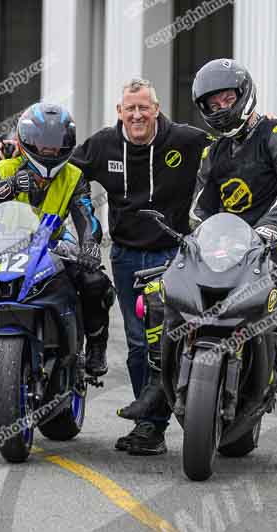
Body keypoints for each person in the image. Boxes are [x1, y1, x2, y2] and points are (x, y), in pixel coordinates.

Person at [137, 59, 277, 470]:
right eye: (212, 102)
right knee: (161, 294)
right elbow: (200, 209)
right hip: (229, 251)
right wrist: (194, 238)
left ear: (244, 95)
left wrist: (266, 230)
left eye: (228, 97)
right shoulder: (215, 151)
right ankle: (161, 382)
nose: (221, 106)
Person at [0, 102, 114, 444]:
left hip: (53, 246)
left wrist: (91, 246)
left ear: (67, 144)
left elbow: (85, 216)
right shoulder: (5, 167)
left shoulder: (73, 176)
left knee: (96, 282)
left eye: (56, 143)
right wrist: (1, 190)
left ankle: (95, 348)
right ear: (26, 140)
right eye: (42, 142)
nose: (49, 150)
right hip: (4, 248)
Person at [72, 78, 213, 455]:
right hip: (126, 256)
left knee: (173, 337)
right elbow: (67, 172)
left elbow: (230, 147)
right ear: (119, 112)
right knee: (138, 343)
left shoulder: (186, 139)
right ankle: (149, 428)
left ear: (156, 109)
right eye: (129, 108)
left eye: (144, 108)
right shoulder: (102, 144)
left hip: (175, 255)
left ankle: (198, 413)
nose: (137, 115)